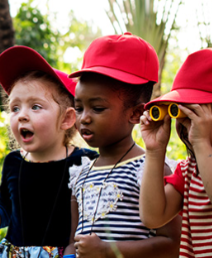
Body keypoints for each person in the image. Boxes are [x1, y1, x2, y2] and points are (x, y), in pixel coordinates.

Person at [0, 46, 98, 258]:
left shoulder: (86, 162)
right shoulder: (14, 161)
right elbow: (5, 205)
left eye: (35, 107)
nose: (21, 115)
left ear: (67, 119)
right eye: (15, 108)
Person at [65, 33, 180, 258]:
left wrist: (107, 251)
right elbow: (73, 241)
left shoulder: (150, 170)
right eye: (79, 108)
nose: (84, 118)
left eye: (97, 108)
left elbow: (171, 244)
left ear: (136, 113)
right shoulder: (80, 174)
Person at [139, 49, 212, 257]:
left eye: (194, 111)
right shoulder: (189, 171)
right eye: (178, 111)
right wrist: (155, 151)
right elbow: (153, 216)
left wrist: (202, 143)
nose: (184, 124)